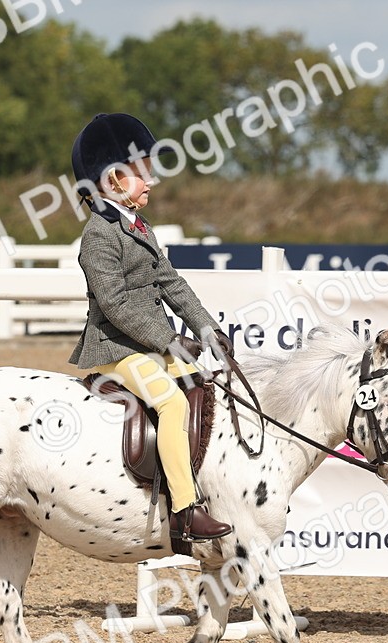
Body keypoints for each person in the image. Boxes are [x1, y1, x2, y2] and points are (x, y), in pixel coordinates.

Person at [68, 112, 234, 541]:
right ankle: (184, 510)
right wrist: (170, 340)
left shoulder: (139, 226)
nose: (151, 182)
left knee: (204, 386)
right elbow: (116, 305)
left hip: (151, 345)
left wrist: (206, 328)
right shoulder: (98, 236)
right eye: (141, 173)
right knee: (173, 403)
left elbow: (171, 283)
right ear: (113, 179)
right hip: (117, 348)